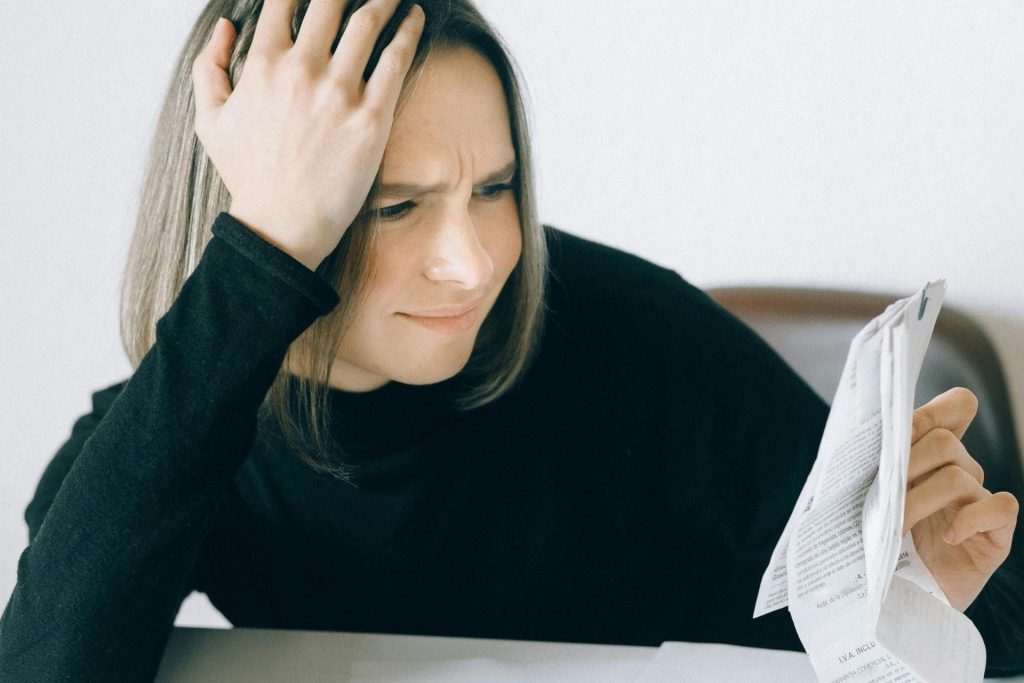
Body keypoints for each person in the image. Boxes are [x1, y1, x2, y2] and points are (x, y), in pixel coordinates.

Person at [1, 0, 1021, 680]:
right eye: (392, 205)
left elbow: (987, 612)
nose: (475, 261)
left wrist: (928, 609)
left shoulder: (637, 339)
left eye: (493, 189)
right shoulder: (190, 417)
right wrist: (262, 259)